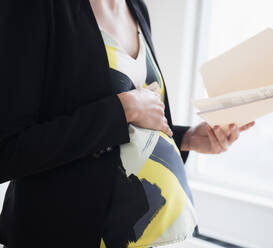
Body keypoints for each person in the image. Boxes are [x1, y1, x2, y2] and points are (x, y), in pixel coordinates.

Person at [0, 0, 255, 247]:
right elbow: (8, 150)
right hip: (64, 233)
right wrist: (123, 110)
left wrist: (186, 138)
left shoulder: (136, 7)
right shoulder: (33, 6)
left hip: (152, 236)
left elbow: (127, 132)